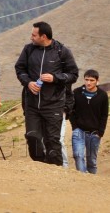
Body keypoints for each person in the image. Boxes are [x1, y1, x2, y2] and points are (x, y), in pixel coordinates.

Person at [14, 21, 79, 166]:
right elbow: (20, 69)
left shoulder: (62, 51)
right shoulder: (28, 50)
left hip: (54, 105)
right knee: (32, 137)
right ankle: (41, 168)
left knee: (52, 142)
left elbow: (73, 75)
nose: (31, 37)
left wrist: (55, 78)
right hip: (31, 104)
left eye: (34, 35)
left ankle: (56, 174)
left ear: (43, 36)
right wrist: (28, 82)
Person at [70, 69, 108, 174]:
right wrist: (75, 127)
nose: (88, 83)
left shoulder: (103, 95)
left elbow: (104, 115)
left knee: (91, 161)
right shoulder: (76, 92)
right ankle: (82, 179)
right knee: (78, 156)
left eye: (92, 80)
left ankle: (91, 182)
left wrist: (100, 132)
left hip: (94, 133)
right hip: (79, 131)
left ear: (97, 81)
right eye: (86, 80)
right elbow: (71, 111)